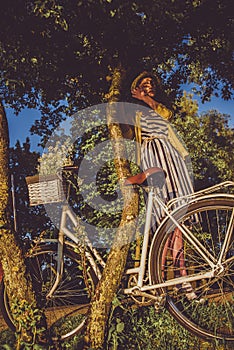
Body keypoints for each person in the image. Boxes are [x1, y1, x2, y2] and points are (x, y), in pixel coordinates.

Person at [130, 71, 197, 300]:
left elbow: (167, 117)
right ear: (135, 88)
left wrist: (147, 99)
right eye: (144, 85)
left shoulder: (160, 108)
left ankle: (184, 281)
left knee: (178, 225)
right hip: (153, 159)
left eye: (151, 85)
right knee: (163, 225)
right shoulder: (134, 112)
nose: (149, 88)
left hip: (173, 160)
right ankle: (160, 283)